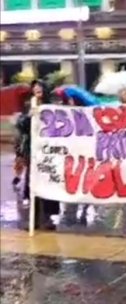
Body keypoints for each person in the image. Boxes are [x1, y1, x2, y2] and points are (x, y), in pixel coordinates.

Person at [19, 80, 60, 230]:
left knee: (49, 180)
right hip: (33, 151)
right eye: (34, 88)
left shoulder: (53, 104)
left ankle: (49, 216)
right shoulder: (28, 105)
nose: (37, 89)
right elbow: (21, 126)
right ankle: (33, 218)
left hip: (50, 151)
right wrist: (28, 116)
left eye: (40, 87)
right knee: (32, 183)